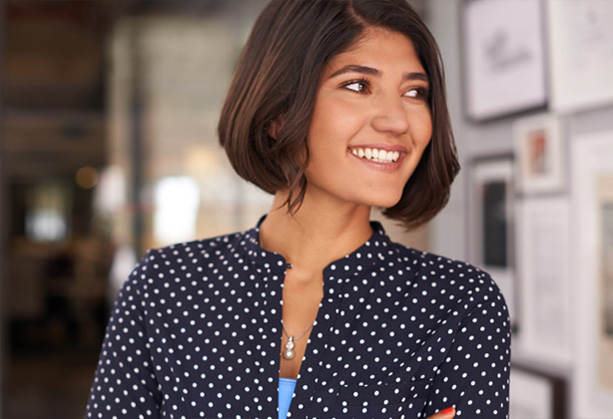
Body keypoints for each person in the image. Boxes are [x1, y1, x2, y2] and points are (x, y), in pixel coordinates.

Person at [86, 0, 511, 418]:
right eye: (359, 85)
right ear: (279, 111)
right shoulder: (165, 286)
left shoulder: (459, 303)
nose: (398, 120)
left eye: (415, 92)